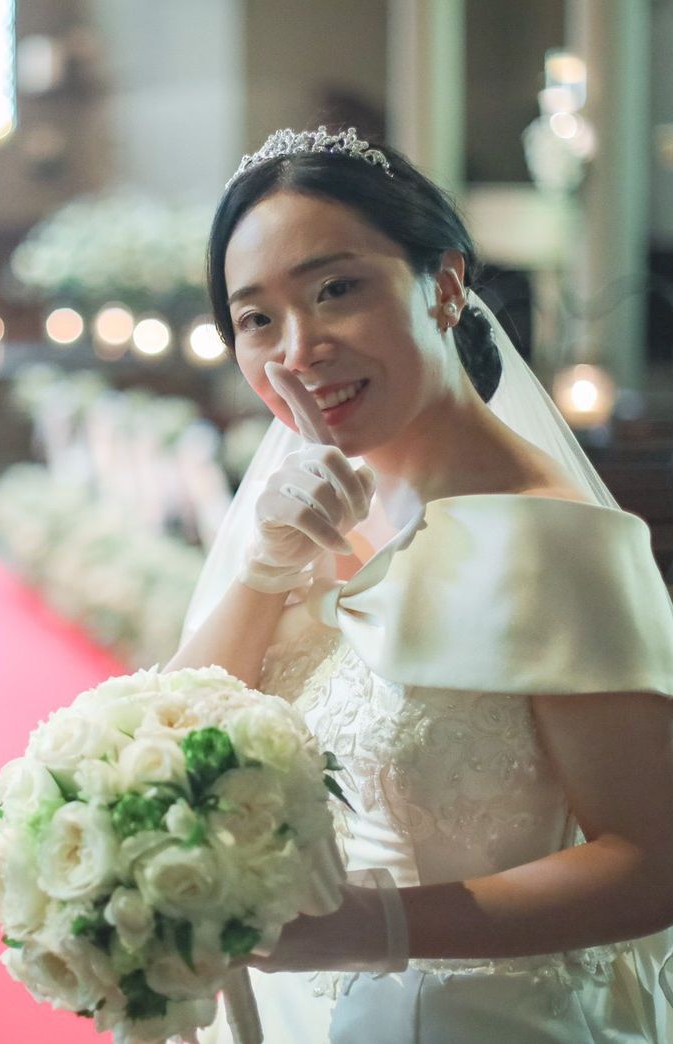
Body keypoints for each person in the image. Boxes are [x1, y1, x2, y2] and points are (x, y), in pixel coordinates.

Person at [169, 127, 673, 1042]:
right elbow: (167, 737)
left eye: (335, 290)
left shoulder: (553, 540)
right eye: (256, 320)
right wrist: (265, 572)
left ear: (443, 286)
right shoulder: (307, 522)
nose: (297, 350)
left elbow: (652, 864)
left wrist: (376, 929)